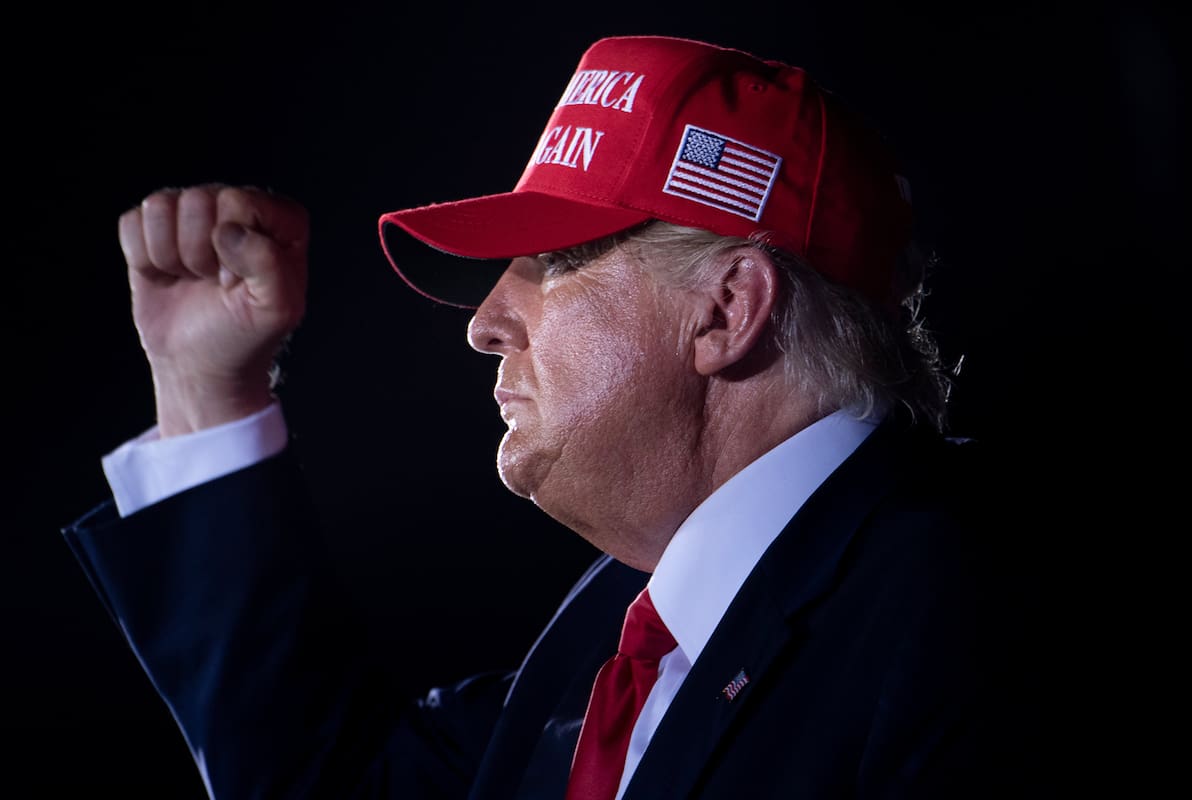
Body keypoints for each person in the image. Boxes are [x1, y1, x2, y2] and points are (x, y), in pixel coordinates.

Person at [62, 34, 1053, 799]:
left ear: (726, 309)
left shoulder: (991, 606)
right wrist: (207, 393)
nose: (485, 323)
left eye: (558, 261)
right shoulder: (614, 637)